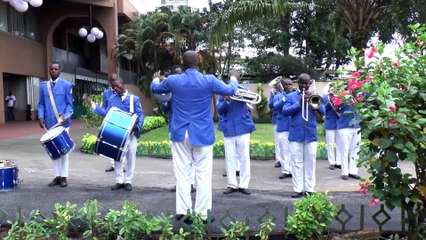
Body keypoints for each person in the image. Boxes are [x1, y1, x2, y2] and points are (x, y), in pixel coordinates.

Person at [150, 50, 238, 221]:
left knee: (182, 174)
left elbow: (155, 88)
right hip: (202, 134)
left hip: (180, 133)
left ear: (183, 64)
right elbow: (231, 90)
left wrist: (155, 77)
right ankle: (203, 214)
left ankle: (183, 212)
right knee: (203, 175)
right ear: (199, 63)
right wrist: (233, 77)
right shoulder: (209, 80)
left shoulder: (174, 80)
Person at [87, 76, 144, 191]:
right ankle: (119, 180)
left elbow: (140, 115)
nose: (116, 88)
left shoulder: (134, 99)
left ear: (123, 84)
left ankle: (128, 181)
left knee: (131, 155)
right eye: (114, 87)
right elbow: (106, 113)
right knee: (117, 155)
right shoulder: (112, 99)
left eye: (118, 85)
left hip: (131, 134)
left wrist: (137, 127)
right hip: (118, 132)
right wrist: (92, 104)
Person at [282, 73, 325, 198]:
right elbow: (285, 112)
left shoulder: (314, 96)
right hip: (295, 134)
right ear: (298, 83)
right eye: (301, 83)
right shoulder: (291, 97)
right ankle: (298, 189)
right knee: (296, 163)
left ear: (310, 84)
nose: (304, 86)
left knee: (311, 162)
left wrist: (314, 100)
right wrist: (299, 103)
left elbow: (322, 112)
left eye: (306, 83)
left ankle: (310, 189)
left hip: (311, 134)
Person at [216, 70, 256, 196]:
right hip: (228, 127)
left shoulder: (245, 90)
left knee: (244, 157)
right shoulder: (223, 91)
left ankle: (244, 185)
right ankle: (231, 184)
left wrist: (242, 98)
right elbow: (220, 110)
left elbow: (250, 107)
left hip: (243, 127)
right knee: (230, 157)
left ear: (239, 78)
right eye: (231, 77)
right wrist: (227, 100)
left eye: (235, 77)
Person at [160, 65, 196, 193]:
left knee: (191, 157)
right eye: (177, 75)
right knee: (178, 160)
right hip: (175, 128)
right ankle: (181, 183)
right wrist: (165, 98)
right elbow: (165, 109)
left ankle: (191, 183)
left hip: (190, 127)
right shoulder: (171, 90)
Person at [38, 62, 73, 187]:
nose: (53, 70)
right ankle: (56, 176)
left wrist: (66, 116)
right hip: (50, 124)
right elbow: (41, 103)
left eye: (56, 69)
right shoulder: (43, 86)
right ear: (49, 70)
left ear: (60, 71)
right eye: (51, 69)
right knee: (53, 150)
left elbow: (70, 105)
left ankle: (64, 177)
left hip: (63, 124)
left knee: (64, 151)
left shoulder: (66, 85)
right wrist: (41, 117)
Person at [336, 94, 361, 180]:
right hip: (345, 126)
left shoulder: (361, 95)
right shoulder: (343, 95)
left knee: (355, 150)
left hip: (357, 125)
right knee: (344, 150)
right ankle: (344, 172)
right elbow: (336, 106)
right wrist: (343, 97)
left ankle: (353, 171)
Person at [273, 78, 293, 179]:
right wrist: (284, 98)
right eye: (287, 85)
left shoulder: (295, 96)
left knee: (293, 150)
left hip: (293, 127)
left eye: (291, 85)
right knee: (284, 150)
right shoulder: (278, 96)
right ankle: (286, 170)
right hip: (282, 126)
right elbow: (275, 106)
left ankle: (293, 170)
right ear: (283, 86)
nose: (290, 87)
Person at [322, 83, 341, 170]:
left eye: (335, 89)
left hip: (339, 122)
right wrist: (329, 104)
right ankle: (332, 162)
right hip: (330, 123)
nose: (333, 91)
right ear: (329, 90)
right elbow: (322, 109)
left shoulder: (340, 97)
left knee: (339, 144)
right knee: (330, 144)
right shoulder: (325, 97)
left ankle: (338, 161)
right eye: (332, 89)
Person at [103, 73, 118, 173]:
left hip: (120, 120)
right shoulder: (106, 93)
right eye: (112, 80)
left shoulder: (122, 90)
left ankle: (121, 163)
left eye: (115, 80)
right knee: (111, 143)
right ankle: (113, 164)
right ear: (110, 81)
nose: (114, 82)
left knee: (120, 143)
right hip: (110, 120)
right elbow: (104, 107)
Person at [268, 79, 282, 168]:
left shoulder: (287, 91)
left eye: (279, 83)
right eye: (277, 83)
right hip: (276, 118)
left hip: (286, 118)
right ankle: (278, 160)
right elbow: (270, 105)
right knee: (278, 141)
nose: (278, 84)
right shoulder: (273, 92)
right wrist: (276, 96)